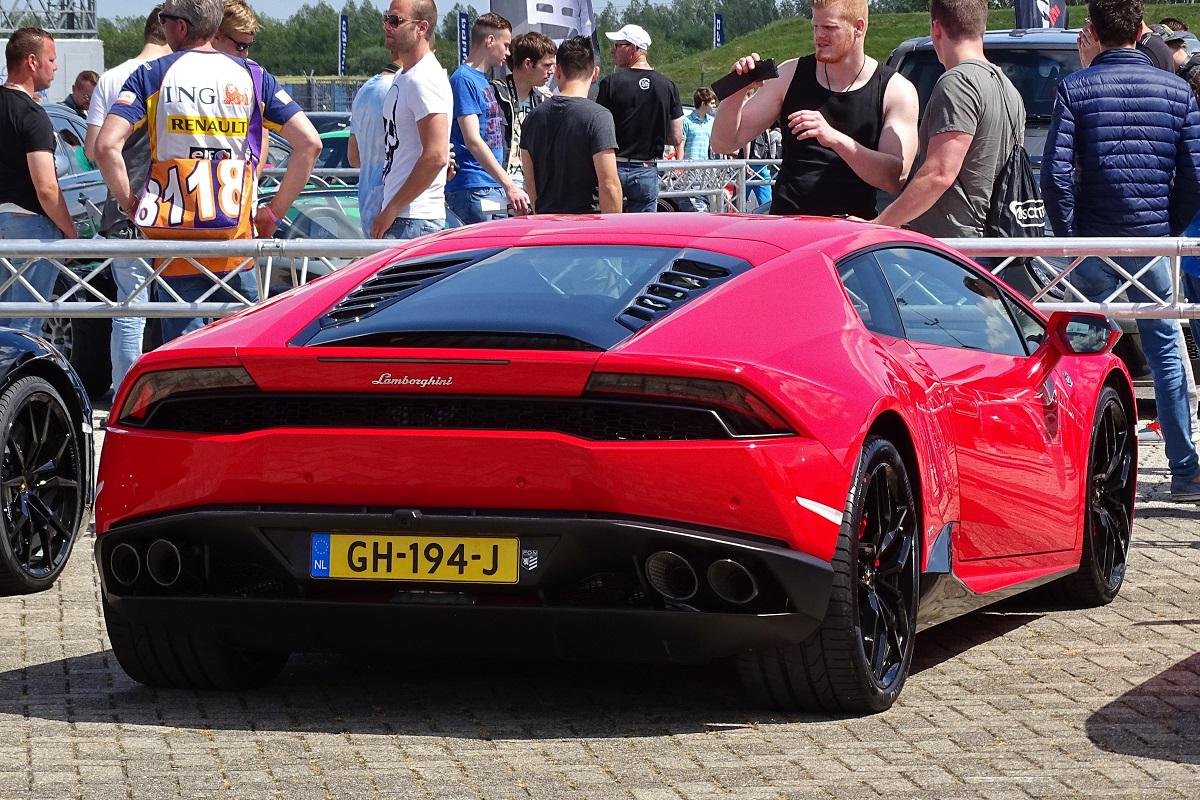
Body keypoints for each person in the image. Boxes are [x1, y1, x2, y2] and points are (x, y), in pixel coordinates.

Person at [1042, 0, 1200, 503]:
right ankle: (1185, 470)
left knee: (1082, 352)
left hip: (1093, 241)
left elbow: (1055, 175)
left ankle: (1082, 472)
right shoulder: (1177, 91)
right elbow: (1193, 176)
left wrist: (1071, 238)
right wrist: (1168, 228)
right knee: (1166, 349)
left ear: (1093, 30)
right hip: (1151, 240)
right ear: (1140, 29)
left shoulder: (1075, 88)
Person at [94, 0, 320, 343]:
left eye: (164, 18)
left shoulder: (152, 74)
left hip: (175, 242)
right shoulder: (253, 76)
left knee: (184, 354)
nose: (162, 25)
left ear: (181, 26)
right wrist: (274, 212)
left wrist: (130, 204)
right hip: (235, 240)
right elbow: (310, 144)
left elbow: (105, 146)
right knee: (242, 349)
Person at [710, 0, 918, 220]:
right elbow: (724, 143)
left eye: (829, 27)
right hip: (789, 224)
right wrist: (736, 92)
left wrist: (835, 139)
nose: (819, 35)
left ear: (858, 27)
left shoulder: (895, 90)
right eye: (815, 26)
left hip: (851, 230)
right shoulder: (790, 75)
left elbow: (895, 179)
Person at [871, 0, 1022, 237]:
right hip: (990, 239)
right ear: (982, 27)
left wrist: (879, 225)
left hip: (953, 245)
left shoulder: (958, 83)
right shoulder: (1007, 86)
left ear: (936, 29)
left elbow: (939, 174)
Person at [84, 7, 170, 394]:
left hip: (125, 209)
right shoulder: (176, 74)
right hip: (175, 208)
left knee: (129, 310)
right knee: (182, 306)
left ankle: (124, 395)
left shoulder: (110, 78)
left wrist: (125, 198)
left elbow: (94, 149)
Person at [0, 27, 77, 335]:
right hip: (30, 226)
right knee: (26, 326)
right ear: (32, 62)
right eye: (52, 59)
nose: (55, 67)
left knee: (4, 324)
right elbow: (46, 187)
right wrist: (70, 231)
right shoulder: (32, 114)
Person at [370, 0, 451, 240]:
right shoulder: (403, 75)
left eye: (396, 21)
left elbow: (436, 156)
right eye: (387, 19)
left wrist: (392, 209)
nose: (388, 26)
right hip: (405, 214)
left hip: (414, 217)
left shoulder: (424, 78)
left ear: (421, 28)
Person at [519, 35, 620, 215]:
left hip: (546, 222)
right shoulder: (599, 117)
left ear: (558, 71)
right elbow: (609, 185)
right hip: (588, 223)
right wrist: (613, 228)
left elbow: (531, 182)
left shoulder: (532, 118)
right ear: (595, 73)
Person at [445, 12, 530, 224]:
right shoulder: (463, 79)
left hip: (489, 185)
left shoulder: (482, 80)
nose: (508, 53)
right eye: (506, 45)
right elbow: (473, 139)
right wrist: (509, 184)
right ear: (490, 40)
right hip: (473, 187)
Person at [595, 23, 683, 212]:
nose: (612, 51)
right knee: (641, 227)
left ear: (633, 48)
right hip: (646, 169)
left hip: (613, 167)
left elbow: (599, 130)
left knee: (610, 226)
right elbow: (676, 137)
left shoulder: (610, 83)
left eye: (617, 45)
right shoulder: (668, 86)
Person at [492, 31, 554, 199]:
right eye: (547, 65)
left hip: (530, 191)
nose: (551, 71)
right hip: (498, 188)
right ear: (528, 64)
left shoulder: (544, 100)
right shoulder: (495, 93)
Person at [349, 58, 399, 237]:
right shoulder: (400, 87)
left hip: (368, 201)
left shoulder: (364, 90)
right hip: (397, 206)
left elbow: (353, 157)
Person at [680, 87, 717, 161]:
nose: (715, 106)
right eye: (712, 103)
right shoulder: (686, 121)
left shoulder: (712, 121)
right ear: (703, 104)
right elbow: (681, 145)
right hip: (689, 165)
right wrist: (679, 164)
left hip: (705, 165)